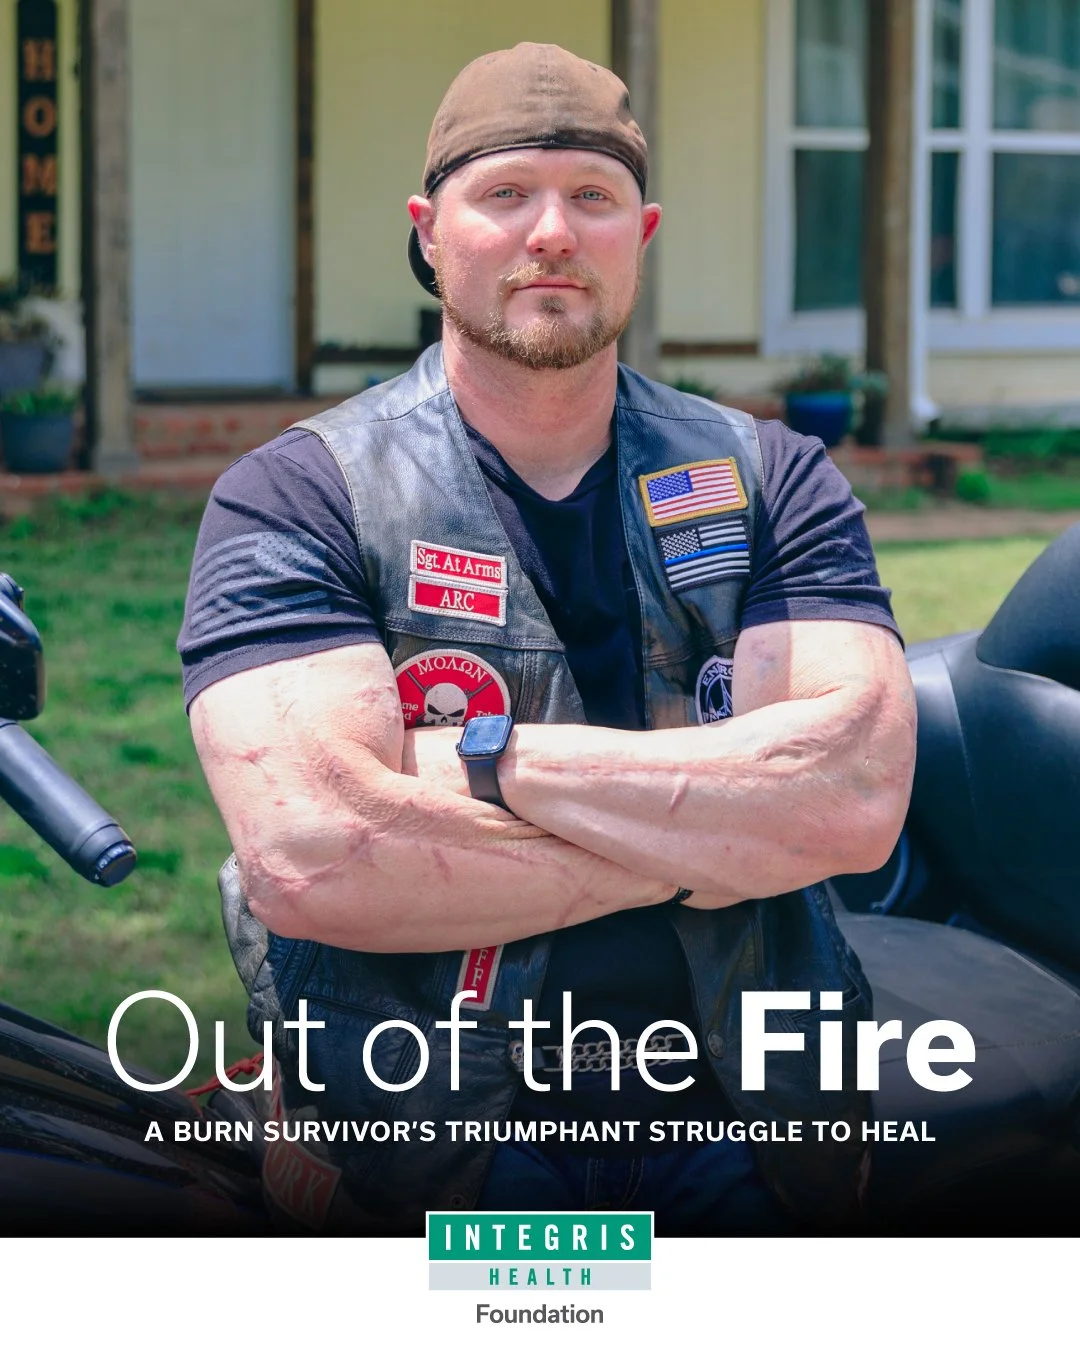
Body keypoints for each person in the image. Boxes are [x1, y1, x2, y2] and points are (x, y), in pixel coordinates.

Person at [179, 42, 915, 1236]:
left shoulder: (773, 478)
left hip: (754, 1124)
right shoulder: (298, 496)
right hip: (429, 1142)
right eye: (507, 193)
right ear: (430, 233)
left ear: (642, 233)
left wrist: (484, 763)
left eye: (593, 196)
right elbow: (317, 856)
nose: (554, 233)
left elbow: (854, 803)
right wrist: (724, 839)